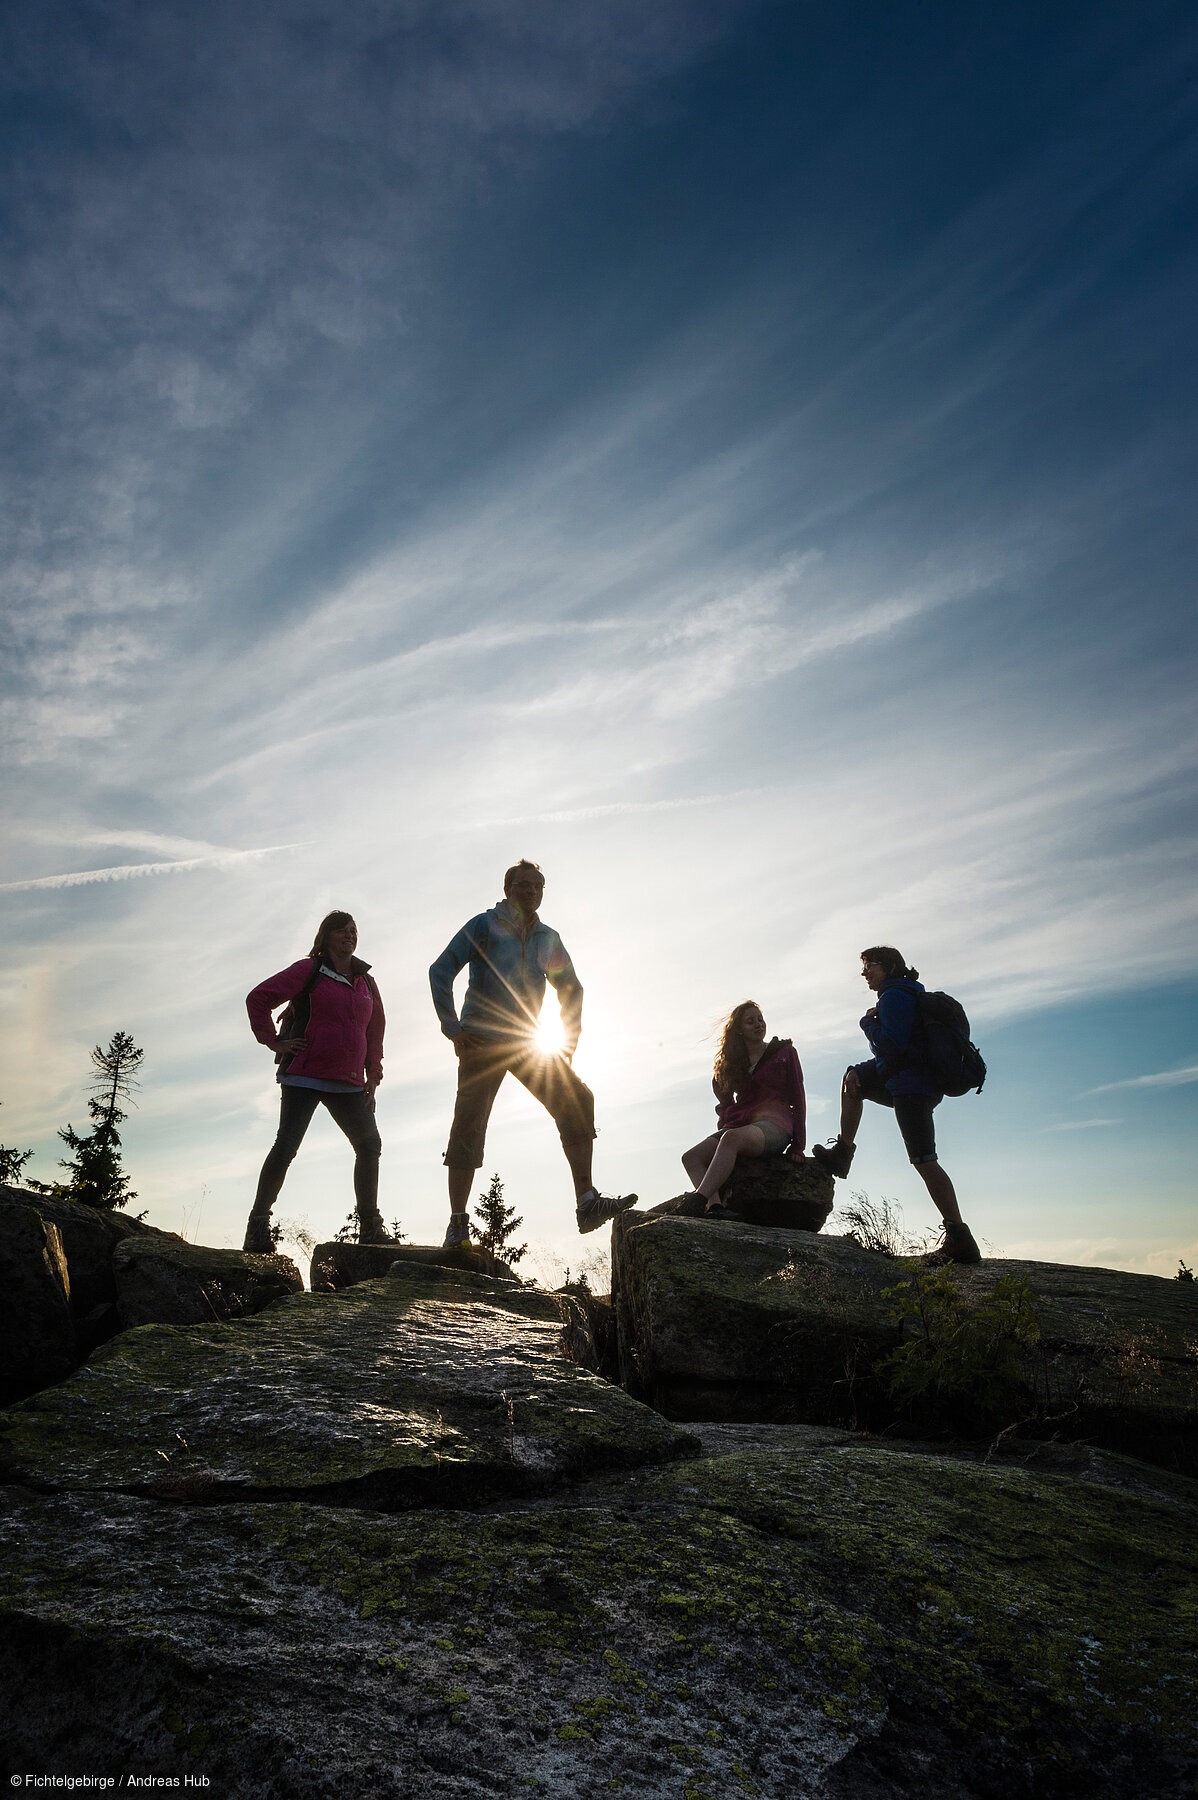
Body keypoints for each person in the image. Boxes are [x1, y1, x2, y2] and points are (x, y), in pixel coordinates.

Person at [429, 860, 636, 1247]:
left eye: (538, 886)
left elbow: (571, 988)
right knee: (469, 1124)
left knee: (577, 1098)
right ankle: (458, 1222)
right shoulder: (483, 925)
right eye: (523, 885)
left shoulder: (547, 938)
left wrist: (569, 1038)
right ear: (507, 887)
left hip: (527, 1039)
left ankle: (587, 1202)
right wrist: (452, 1026)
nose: (531, 892)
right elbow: (441, 970)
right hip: (481, 1039)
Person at [812, 946, 980, 1264]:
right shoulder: (906, 994)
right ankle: (842, 1154)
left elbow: (893, 1048)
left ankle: (960, 1239)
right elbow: (898, 1052)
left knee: (924, 1161)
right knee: (853, 1079)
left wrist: (867, 1025)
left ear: (888, 967)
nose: (865, 973)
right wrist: (859, 1069)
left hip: (911, 1088)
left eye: (869, 966)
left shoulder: (893, 996)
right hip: (911, 1083)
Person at [243, 910, 387, 1253]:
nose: (349, 936)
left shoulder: (366, 981)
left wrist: (374, 1074)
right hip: (304, 1074)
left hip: (349, 1081)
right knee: (286, 1146)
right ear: (326, 936)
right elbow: (258, 998)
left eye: (353, 931)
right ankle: (258, 1226)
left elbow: (375, 1030)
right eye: (342, 931)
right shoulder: (308, 970)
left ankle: (369, 1228)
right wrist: (273, 1041)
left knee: (369, 1145)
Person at [677, 1002, 806, 1216]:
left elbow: (798, 1098)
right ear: (739, 1030)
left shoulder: (784, 1052)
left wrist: (798, 1145)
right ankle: (715, 1207)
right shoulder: (731, 1065)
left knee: (730, 1139)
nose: (758, 1024)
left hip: (776, 1126)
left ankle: (696, 1201)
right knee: (691, 1157)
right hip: (742, 1127)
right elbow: (724, 1104)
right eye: (750, 1021)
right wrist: (726, 1126)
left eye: (760, 1019)